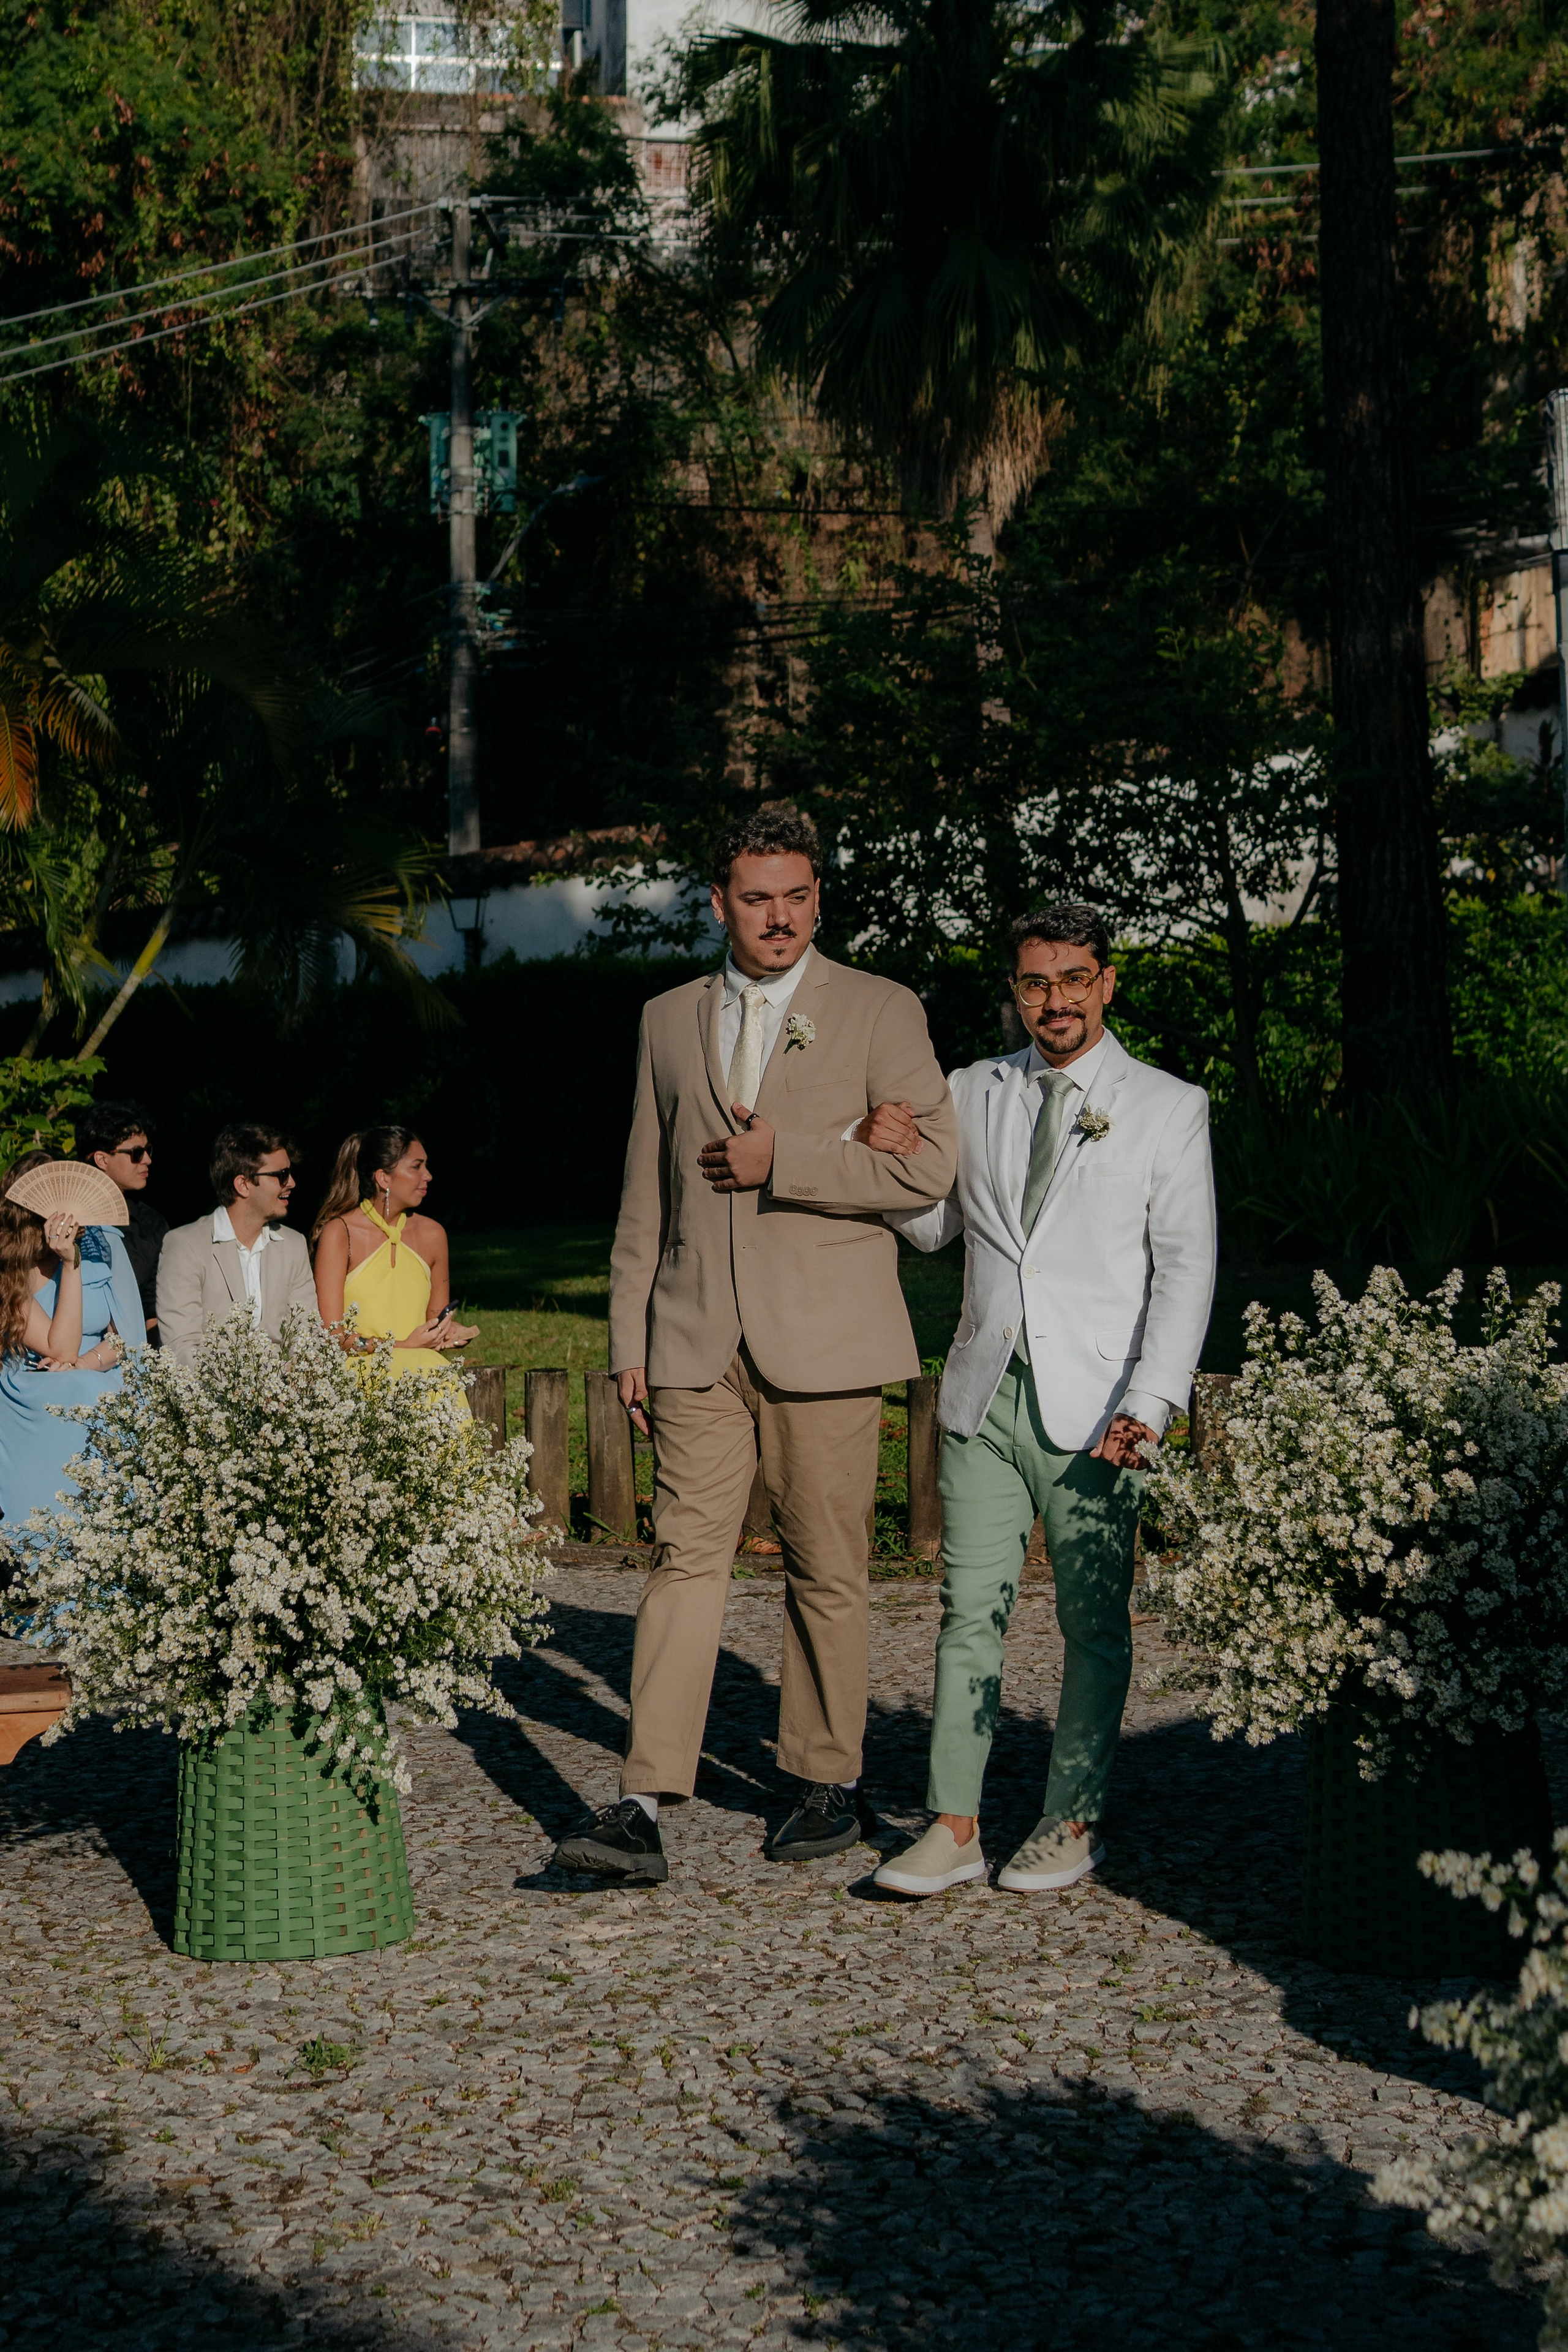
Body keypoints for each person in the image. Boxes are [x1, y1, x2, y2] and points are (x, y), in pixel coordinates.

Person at [554, 808, 959, 1887]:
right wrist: (630, 1329)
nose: (777, 917)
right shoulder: (666, 1018)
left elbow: (929, 1175)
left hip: (827, 1337)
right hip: (692, 1338)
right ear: (720, 902)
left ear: (817, 897)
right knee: (684, 1560)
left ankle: (827, 1781)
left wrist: (795, 1159)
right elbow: (644, 1185)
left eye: (795, 896)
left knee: (829, 1567)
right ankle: (643, 1799)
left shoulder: (880, 1009)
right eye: (754, 897)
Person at [871, 903, 1216, 1899]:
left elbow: (1187, 1266)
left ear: (1107, 982)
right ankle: (953, 1825)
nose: (1054, 1001)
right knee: (965, 1613)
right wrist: (891, 1152)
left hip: (1102, 1408)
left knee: (1093, 1624)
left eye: (1073, 980)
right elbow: (933, 1226)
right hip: (984, 1393)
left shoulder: (1165, 1105)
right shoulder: (971, 1090)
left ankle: (1070, 1820)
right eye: (1035, 983)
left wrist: (1151, 1401)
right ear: (1014, 991)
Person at [0, 1150, 146, 1531]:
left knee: (107, 1392)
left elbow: (125, 1337)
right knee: (79, 1390)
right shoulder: (10, 1267)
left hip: (99, 1368)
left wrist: (86, 1363)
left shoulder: (105, 1243)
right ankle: (48, 1539)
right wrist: (70, 1263)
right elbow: (59, 1349)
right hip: (34, 1378)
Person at [310, 1127, 478, 1373]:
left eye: (426, 1166)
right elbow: (332, 1336)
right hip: (357, 1376)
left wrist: (448, 1332)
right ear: (384, 1178)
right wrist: (401, 1346)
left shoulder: (434, 1235)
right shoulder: (340, 1233)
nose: (428, 1175)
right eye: (416, 1167)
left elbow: (434, 1320)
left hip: (421, 1371)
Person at [156, 1123, 318, 1365]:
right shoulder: (185, 1245)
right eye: (281, 1175)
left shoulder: (293, 1245)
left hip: (285, 1394)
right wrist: (244, 1390)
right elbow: (181, 1347)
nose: (292, 1183)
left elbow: (307, 1338)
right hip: (213, 1393)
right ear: (243, 1185)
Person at [77, 1099, 165, 1343]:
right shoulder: (67, 1217)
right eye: (136, 1153)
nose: (147, 1160)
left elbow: (153, 1309)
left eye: (149, 1151)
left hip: (131, 1349)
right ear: (101, 1160)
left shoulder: (152, 1225)